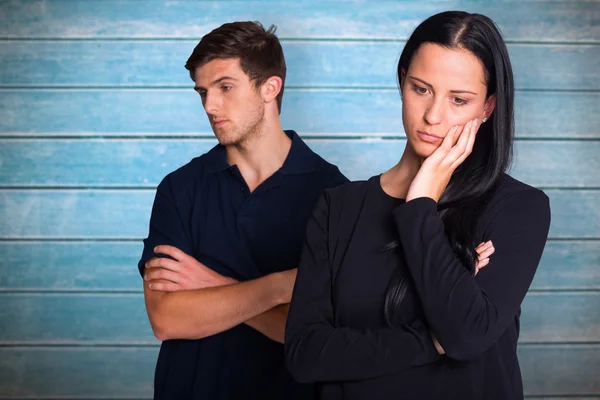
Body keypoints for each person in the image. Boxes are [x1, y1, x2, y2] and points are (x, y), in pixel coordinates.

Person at [285, 11, 551, 400]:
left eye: (459, 100)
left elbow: (465, 336)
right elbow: (304, 355)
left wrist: (421, 204)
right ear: (402, 80)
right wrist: (428, 341)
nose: (432, 115)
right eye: (421, 89)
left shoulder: (519, 209)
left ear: (488, 108)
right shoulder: (337, 207)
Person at [138, 21, 347, 399]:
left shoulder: (336, 195)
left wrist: (210, 283)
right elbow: (166, 318)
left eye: (225, 87)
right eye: (202, 91)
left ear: (270, 88)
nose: (209, 105)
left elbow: (315, 337)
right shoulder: (179, 189)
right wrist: (280, 286)